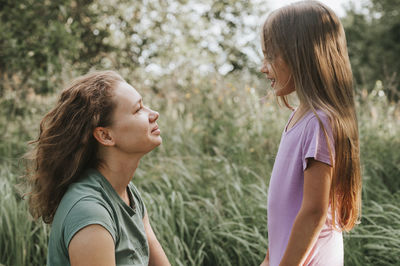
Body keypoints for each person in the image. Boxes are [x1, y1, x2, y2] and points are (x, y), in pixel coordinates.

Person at [26, 70, 170, 266]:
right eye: (138, 110)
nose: (154, 114)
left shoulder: (127, 192)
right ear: (105, 136)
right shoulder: (89, 212)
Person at [259, 1, 361, 265]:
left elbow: (313, 211)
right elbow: (283, 216)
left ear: (300, 55)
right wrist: (270, 258)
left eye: (271, 56)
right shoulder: (299, 117)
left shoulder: (320, 122)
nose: (263, 67)